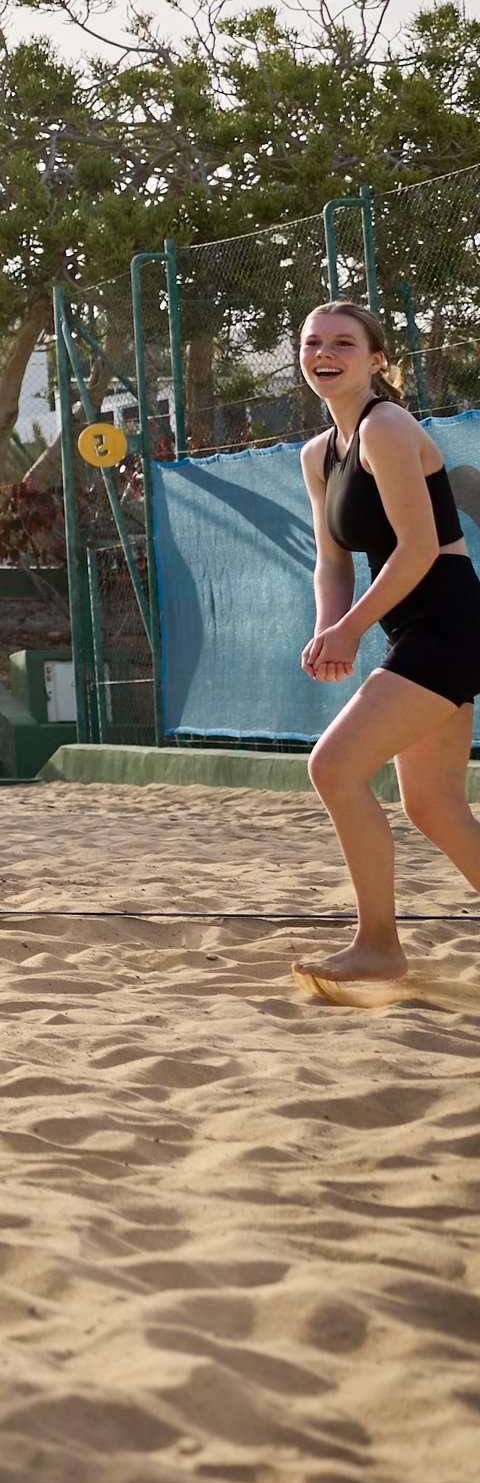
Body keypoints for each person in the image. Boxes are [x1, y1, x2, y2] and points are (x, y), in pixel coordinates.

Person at [289, 299, 480, 986]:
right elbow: (332, 560)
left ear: (376, 360)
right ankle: (378, 946)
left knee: (333, 766)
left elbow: (421, 546)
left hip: (448, 620)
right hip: (413, 624)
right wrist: (327, 627)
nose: (325, 352)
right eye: (313, 342)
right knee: (432, 804)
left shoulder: (388, 426)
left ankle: (378, 945)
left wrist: (352, 628)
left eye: (343, 341)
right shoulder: (318, 454)